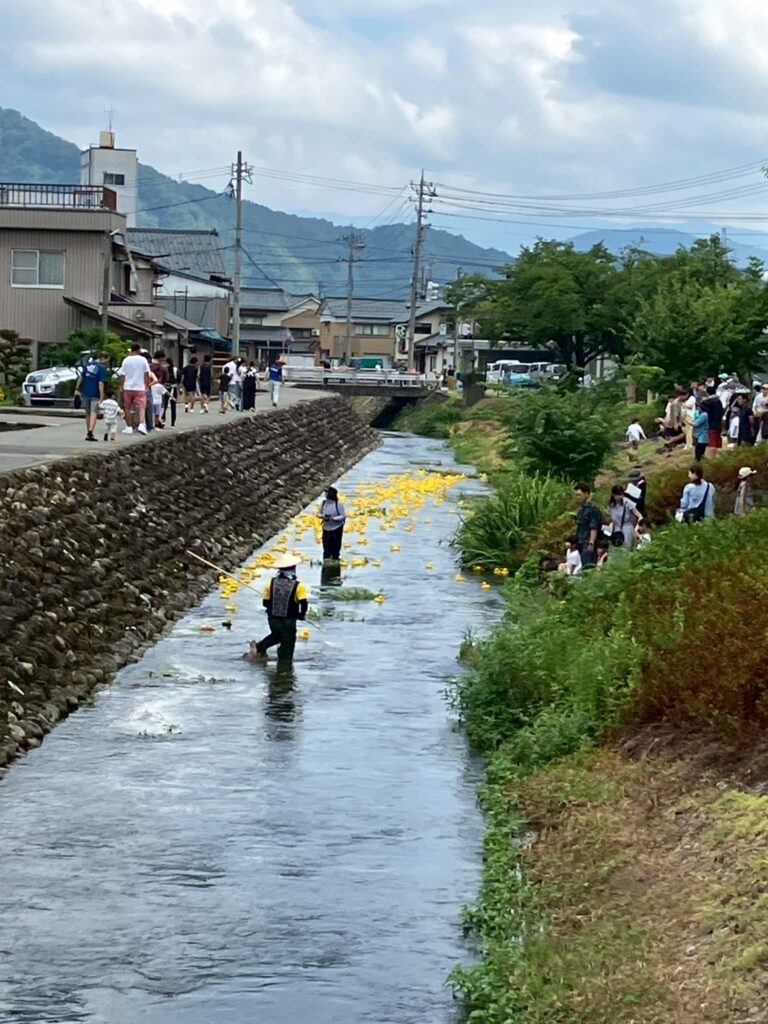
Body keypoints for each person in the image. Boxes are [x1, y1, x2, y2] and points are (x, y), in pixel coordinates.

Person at [252, 554, 309, 663]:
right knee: (288, 639)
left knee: (277, 635)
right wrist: (301, 615)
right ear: (293, 569)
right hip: (289, 620)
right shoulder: (299, 586)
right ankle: (284, 664)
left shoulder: (271, 583)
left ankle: (260, 648)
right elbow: (303, 603)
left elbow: (265, 603)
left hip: (273, 618)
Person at [76, 351, 110, 442]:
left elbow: (81, 377)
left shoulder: (87, 365)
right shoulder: (101, 368)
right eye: (107, 360)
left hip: (85, 392)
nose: (107, 362)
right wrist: (102, 396)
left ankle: (88, 431)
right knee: (94, 412)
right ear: (103, 358)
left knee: (88, 413)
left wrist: (77, 389)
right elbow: (101, 383)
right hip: (95, 393)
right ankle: (90, 431)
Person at [118, 343, 150, 435]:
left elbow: (123, 374)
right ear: (139, 349)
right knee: (141, 406)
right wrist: (146, 384)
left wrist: (121, 385)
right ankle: (141, 424)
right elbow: (146, 374)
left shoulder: (126, 360)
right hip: (140, 387)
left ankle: (129, 427)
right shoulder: (143, 360)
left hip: (128, 387)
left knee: (127, 407)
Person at [574, 483, 603, 566]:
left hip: (588, 543)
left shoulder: (592, 509)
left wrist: (591, 542)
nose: (578, 497)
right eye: (576, 495)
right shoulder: (582, 510)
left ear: (586, 494)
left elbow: (593, 527)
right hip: (581, 542)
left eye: (580, 495)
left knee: (589, 566)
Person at [607, 485, 643, 550]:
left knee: (627, 547)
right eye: (617, 495)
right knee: (617, 547)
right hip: (617, 529)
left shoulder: (627, 503)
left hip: (627, 527)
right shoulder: (611, 506)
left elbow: (639, 515)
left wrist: (637, 527)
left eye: (620, 494)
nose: (619, 497)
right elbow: (612, 520)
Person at [318, 485, 347, 560]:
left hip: (336, 528)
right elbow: (318, 514)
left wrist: (333, 519)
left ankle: (335, 559)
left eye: (326, 493)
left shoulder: (338, 504)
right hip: (326, 528)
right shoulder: (323, 503)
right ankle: (326, 561)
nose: (325, 495)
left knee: (335, 549)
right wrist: (323, 516)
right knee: (326, 549)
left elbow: (343, 515)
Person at [700, 386, 724, 451]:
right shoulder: (719, 401)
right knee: (717, 443)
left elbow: (701, 405)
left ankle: (711, 456)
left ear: (707, 392)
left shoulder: (708, 402)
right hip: (719, 424)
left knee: (712, 444)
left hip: (711, 424)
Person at [163, 357, 180, 428]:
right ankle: (164, 421)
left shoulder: (174, 370)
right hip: (167, 388)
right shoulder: (165, 369)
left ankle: (171, 422)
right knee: (165, 406)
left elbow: (179, 379)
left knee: (171, 405)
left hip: (171, 388)